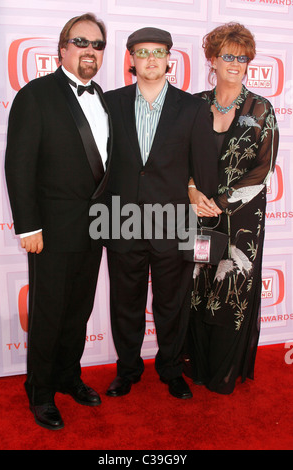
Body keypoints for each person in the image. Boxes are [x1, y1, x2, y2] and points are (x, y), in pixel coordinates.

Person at [5, 13, 112, 430]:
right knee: (49, 313)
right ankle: (41, 391)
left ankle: (69, 377)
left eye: (98, 44)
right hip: (49, 230)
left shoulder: (103, 96)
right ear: (63, 47)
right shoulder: (36, 95)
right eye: (81, 42)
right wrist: (28, 227)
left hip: (96, 228)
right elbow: (19, 165)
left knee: (79, 311)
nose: (90, 50)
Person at [104, 27, 219, 400]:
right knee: (126, 304)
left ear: (169, 59)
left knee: (172, 304)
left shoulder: (191, 107)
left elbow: (204, 170)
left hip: (174, 224)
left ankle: (171, 369)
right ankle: (127, 370)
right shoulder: (110, 103)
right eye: (142, 52)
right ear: (132, 60)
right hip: (122, 221)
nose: (151, 59)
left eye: (158, 52)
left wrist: (197, 194)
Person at [184, 22, 279, 394]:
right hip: (197, 213)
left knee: (231, 286)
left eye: (242, 57)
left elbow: (263, 170)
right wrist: (192, 191)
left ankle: (223, 373)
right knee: (198, 283)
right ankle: (197, 367)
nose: (236, 63)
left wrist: (220, 203)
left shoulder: (261, 109)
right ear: (212, 59)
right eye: (228, 55)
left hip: (240, 219)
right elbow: (178, 157)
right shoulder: (193, 105)